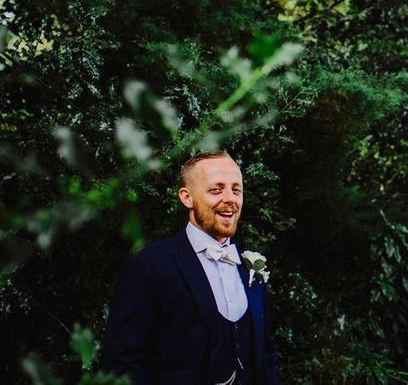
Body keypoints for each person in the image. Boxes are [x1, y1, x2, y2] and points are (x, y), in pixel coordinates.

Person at [101, 151, 282, 385]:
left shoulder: (251, 270)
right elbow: (124, 364)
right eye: (216, 189)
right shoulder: (149, 265)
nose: (230, 199)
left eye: (236, 190)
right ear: (187, 197)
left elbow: (266, 355)